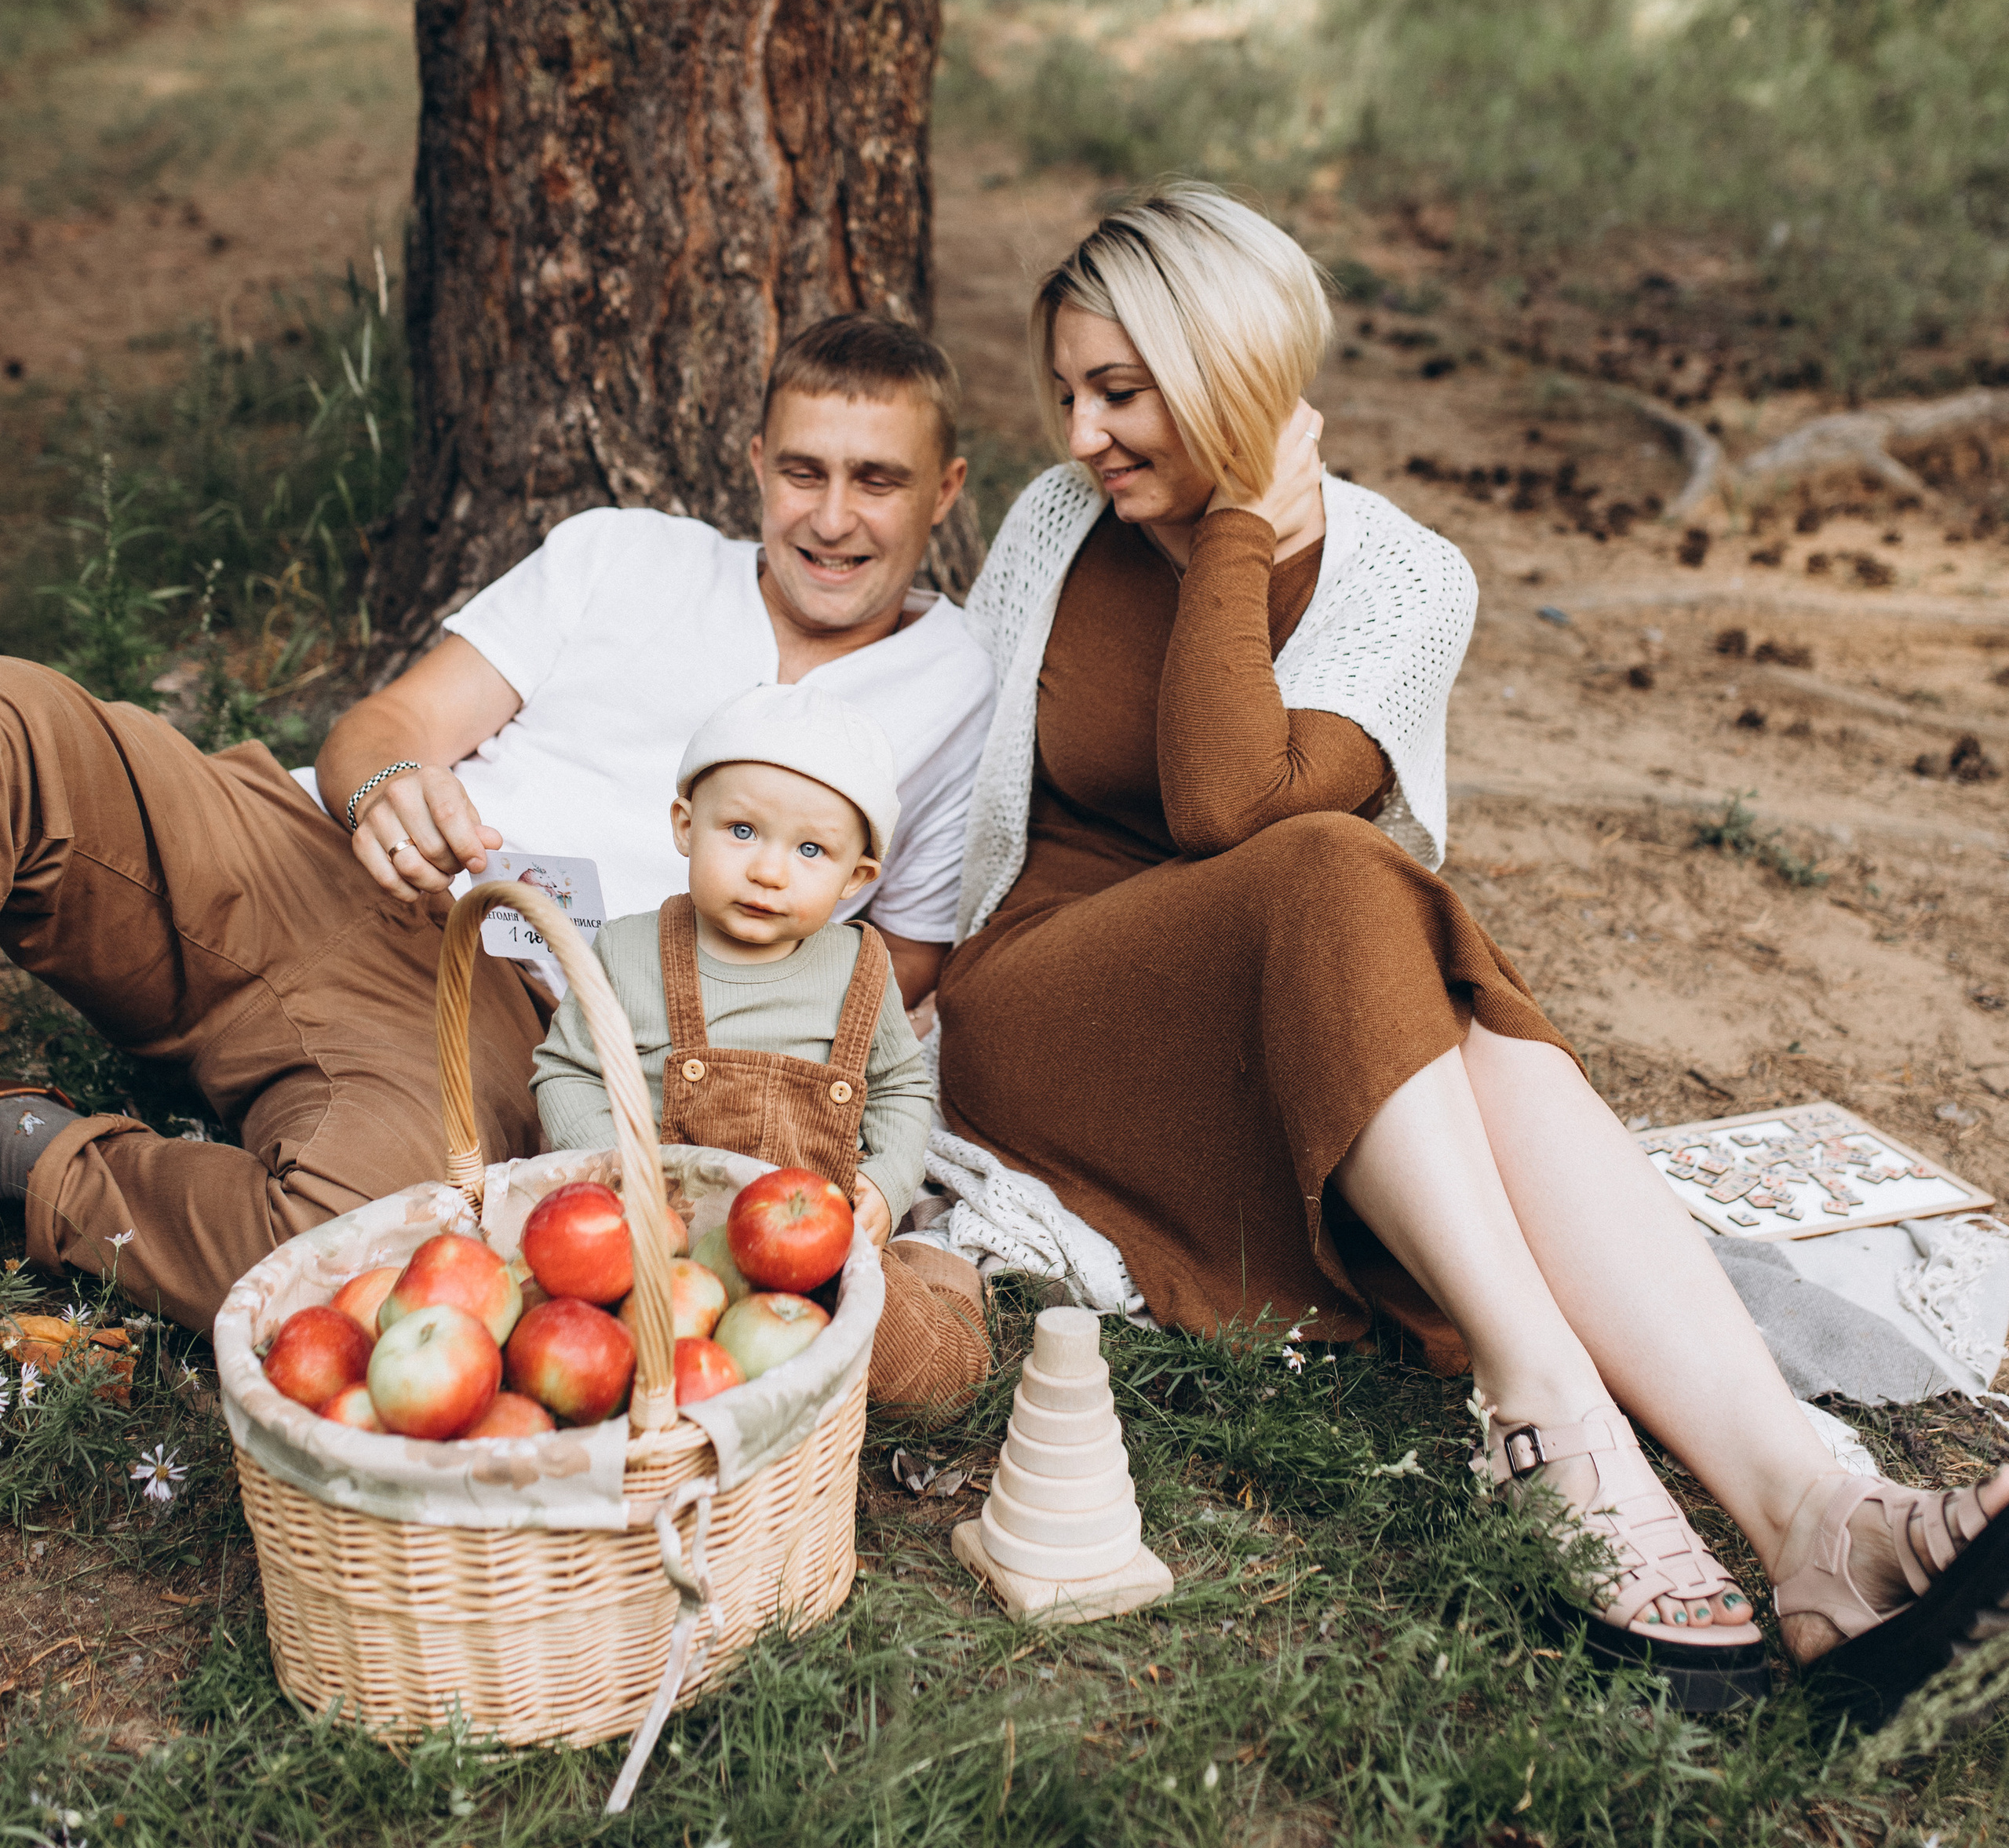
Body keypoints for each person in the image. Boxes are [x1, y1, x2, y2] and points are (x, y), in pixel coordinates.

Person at [934, 184, 2009, 1723]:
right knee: (1336, 870)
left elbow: (1230, 813)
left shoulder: (1401, 576)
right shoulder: (1054, 526)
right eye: (1065, 394)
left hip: (1261, 992)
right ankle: (1540, 1393)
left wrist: (1229, 535)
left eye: (1121, 391)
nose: (1082, 434)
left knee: (1397, 952)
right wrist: (1235, 526)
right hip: (1045, 1005)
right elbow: (1195, 813)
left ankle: (1805, 1518)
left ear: (1234, 372)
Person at [0, 315, 994, 1339]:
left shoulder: (958, 683)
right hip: (312, 862)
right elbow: (388, 724)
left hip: (509, 1020)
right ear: (754, 465)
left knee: (362, 1266)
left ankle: (35, 1153)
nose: (832, 519)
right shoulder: (623, 553)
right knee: (19, 729)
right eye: (802, 472)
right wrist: (389, 787)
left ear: (946, 491)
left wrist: (713, 1033)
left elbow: (907, 953)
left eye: (877, 481)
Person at [533, 683, 988, 1409]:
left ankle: (939, 1277)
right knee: (597, 1361)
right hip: (656, 1234)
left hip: (812, 1242)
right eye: (741, 831)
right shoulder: (625, 951)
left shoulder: (857, 970)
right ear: (685, 824)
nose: (769, 871)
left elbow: (902, 1089)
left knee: (926, 1383)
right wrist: (620, 1171)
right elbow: (566, 1071)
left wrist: (888, 1183)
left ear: (856, 878)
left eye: (811, 850)